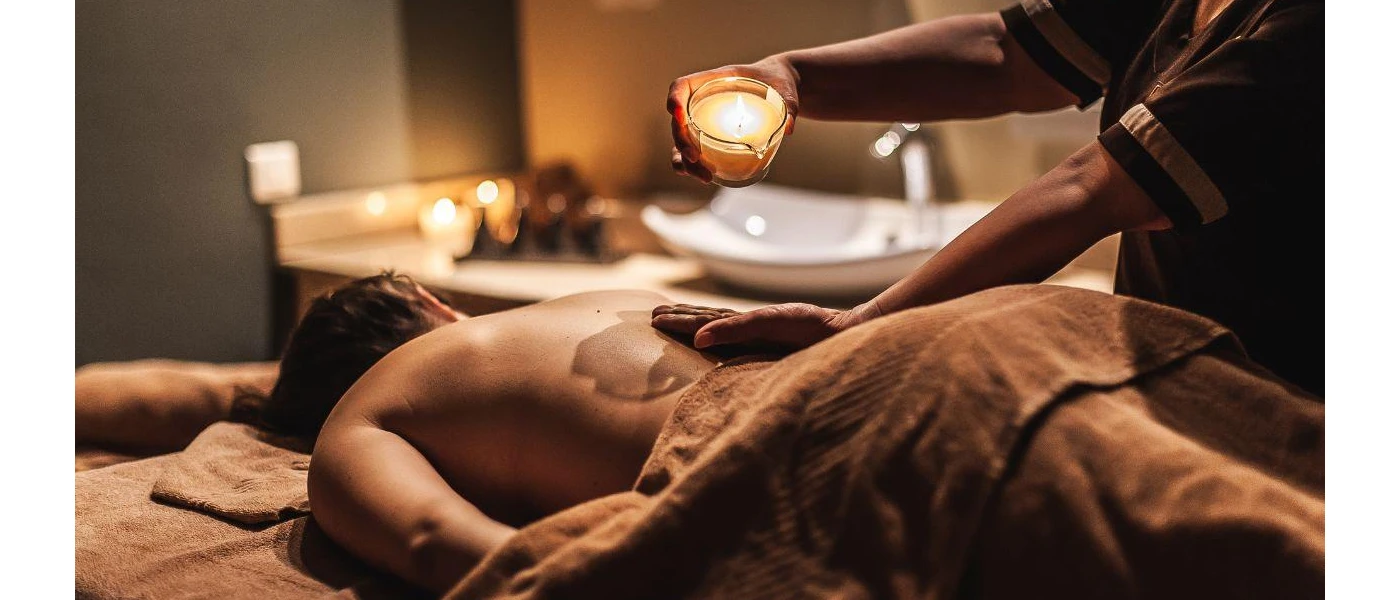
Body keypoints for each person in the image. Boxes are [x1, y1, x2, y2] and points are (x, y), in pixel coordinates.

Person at [657, 0, 1323, 396]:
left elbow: (1097, 188)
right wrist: (793, 75)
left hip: (1265, 416)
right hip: (1165, 375)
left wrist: (860, 327)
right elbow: (1007, 54)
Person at [242, 273, 726, 593]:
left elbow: (445, 547)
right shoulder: (613, 298)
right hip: (765, 388)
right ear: (429, 300)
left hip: (718, 454)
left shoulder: (359, 416)